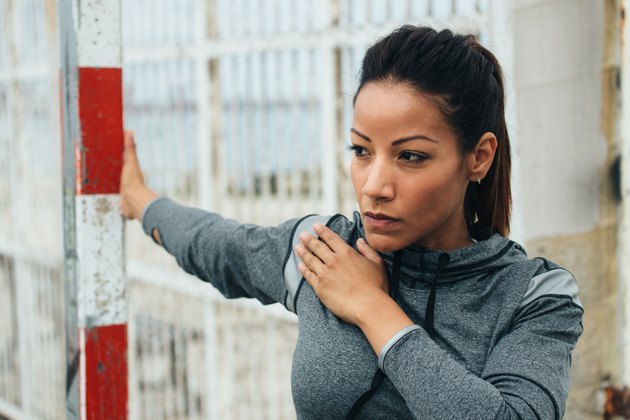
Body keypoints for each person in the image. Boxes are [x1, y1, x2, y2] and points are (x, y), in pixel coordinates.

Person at [120, 25, 583, 419]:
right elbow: (219, 247)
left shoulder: (534, 295)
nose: (374, 185)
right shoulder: (324, 250)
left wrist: (371, 307)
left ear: (478, 157)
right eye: (362, 150)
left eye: (411, 156)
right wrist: (141, 200)